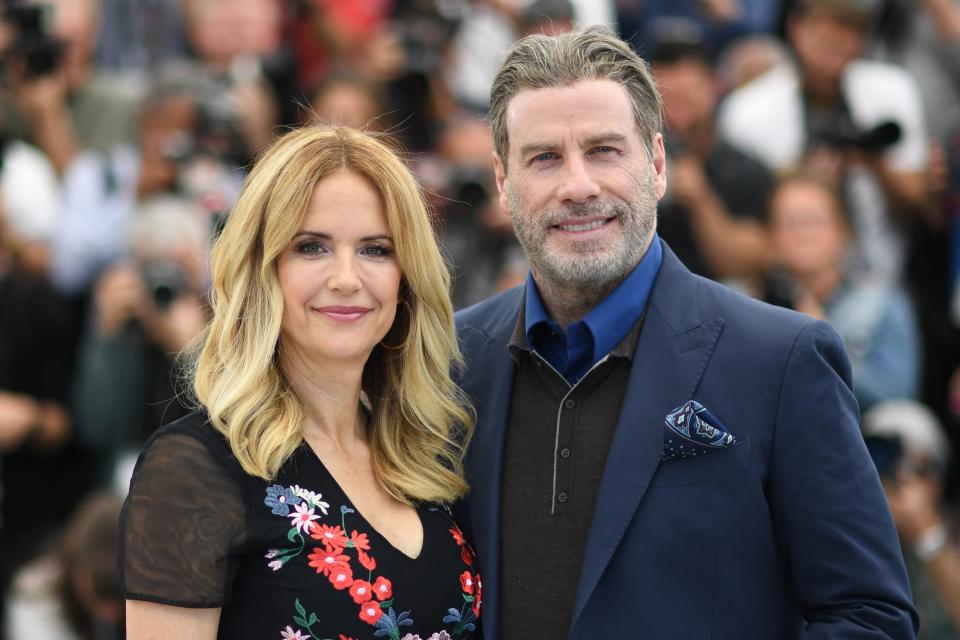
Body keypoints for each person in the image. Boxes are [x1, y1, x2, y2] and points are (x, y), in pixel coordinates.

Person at [453, 26, 917, 639]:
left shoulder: (782, 359)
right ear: (504, 182)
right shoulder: (453, 360)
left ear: (658, 162)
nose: (578, 186)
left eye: (604, 150)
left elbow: (870, 616)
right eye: (544, 158)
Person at [119, 126, 480, 640]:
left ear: (407, 278)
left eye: (376, 250)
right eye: (312, 247)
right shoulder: (194, 471)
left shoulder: (429, 455)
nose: (347, 278)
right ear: (263, 269)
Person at [765, 171, 921, 412]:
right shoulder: (752, 309)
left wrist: (828, 352)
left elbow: (896, 395)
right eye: (790, 222)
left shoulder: (884, 305)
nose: (802, 233)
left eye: (813, 221)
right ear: (772, 238)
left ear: (843, 232)